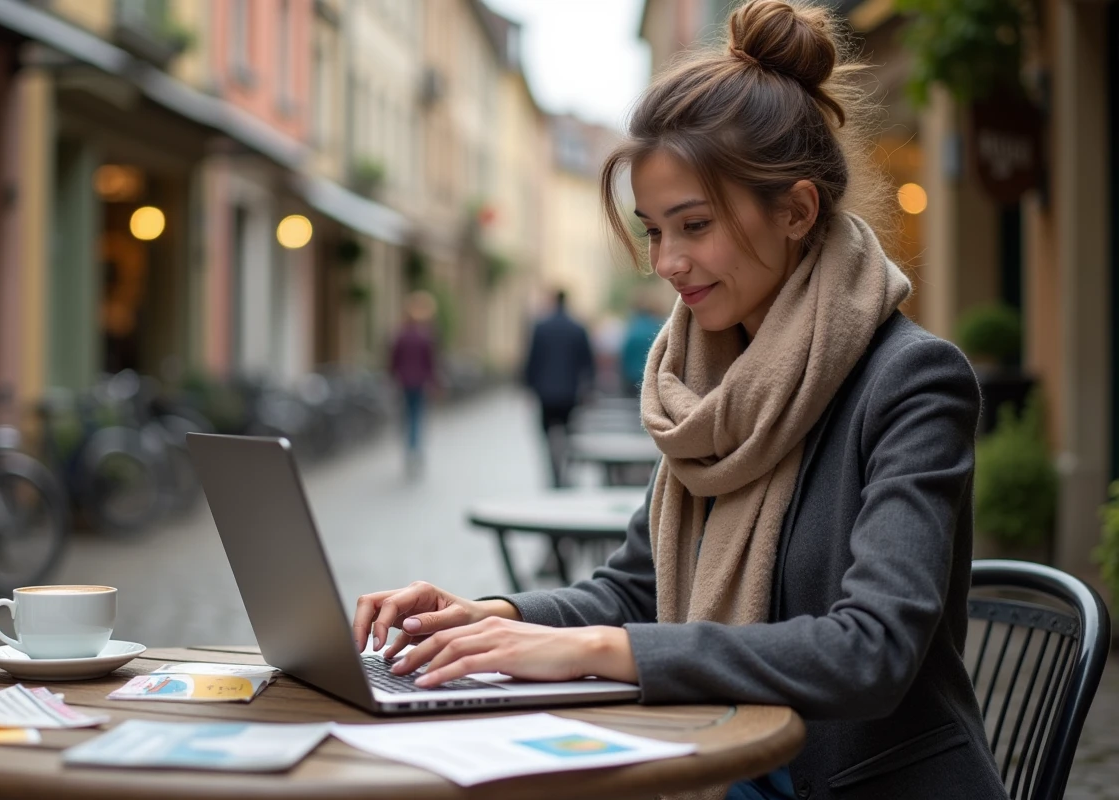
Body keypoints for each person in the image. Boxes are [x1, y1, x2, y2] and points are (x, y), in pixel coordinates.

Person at [352, 2, 1007, 798]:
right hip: (723, 759)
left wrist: (598, 650)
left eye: (693, 225)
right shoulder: (710, 383)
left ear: (796, 211)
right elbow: (634, 589)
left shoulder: (911, 381)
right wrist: (486, 616)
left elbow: (872, 651)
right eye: (654, 230)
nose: (666, 261)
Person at [522, 289, 595, 487]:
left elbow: (532, 359)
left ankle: (553, 472)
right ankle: (566, 468)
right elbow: (588, 362)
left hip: (545, 392)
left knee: (546, 434)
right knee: (569, 433)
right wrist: (588, 389)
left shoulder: (540, 327)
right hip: (570, 392)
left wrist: (528, 385)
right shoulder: (577, 327)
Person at [389, 291, 437, 476]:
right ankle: (415, 448)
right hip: (420, 382)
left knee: (407, 416)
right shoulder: (425, 337)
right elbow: (430, 362)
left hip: (404, 382)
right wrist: (433, 382)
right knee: (417, 416)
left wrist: (392, 378)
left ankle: (410, 448)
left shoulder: (400, 336)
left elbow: (393, 361)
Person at [619, 293, 664, 396]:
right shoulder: (658, 327)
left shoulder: (633, 329)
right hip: (653, 376)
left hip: (633, 376)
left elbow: (626, 355)